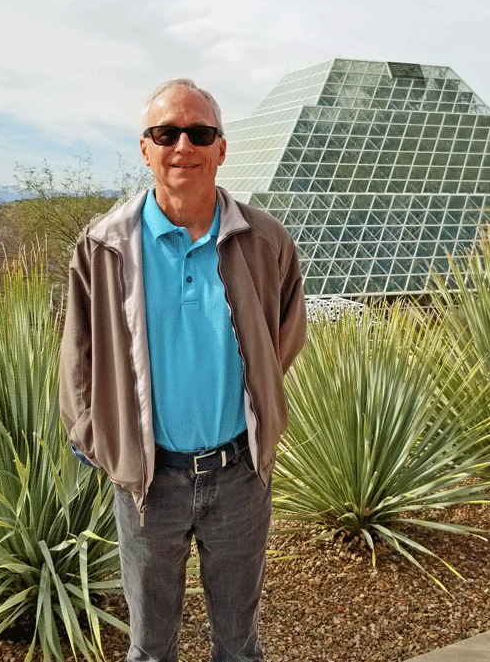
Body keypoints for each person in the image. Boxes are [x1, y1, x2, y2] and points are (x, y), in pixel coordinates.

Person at [59, 78, 306, 662]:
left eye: (199, 133)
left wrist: (259, 405)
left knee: (239, 647)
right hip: (149, 483)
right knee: (149, 650)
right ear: (145, 148)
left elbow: (283, 338)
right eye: (165, 134)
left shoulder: (263, 240)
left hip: (239, 476)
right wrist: (105, 444)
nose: (182, 147)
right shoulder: (105, 246)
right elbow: (78, 358)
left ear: (221, 148)